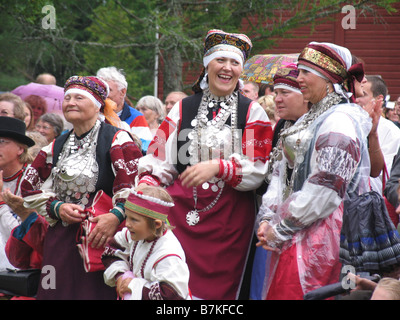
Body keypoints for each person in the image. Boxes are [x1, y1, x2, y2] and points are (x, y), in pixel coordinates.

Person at [137, 29, 273, 300]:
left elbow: (258, 169)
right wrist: (146, 186)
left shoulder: (252, 111)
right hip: (181, 216)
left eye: (234, 63)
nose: (227, 68)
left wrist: (219, 167)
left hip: (230, 221)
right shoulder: (183, 108)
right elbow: (159, 157)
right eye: (220, 60)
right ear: (207, 64)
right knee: (176, 285)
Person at [256, 42, 371, 300]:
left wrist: (282, 228)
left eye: (305, 73)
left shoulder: (338, 121)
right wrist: (268, 218)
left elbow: (325, 191)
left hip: (326, 238)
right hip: (305, 232)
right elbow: (282, 174)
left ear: (328, 79)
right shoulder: (316, 118)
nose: (299, 80)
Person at [18, 75, 143, 300]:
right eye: (67, 98)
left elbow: (136, 187)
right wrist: (57, 207)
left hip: (101, 240)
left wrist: (115, 216)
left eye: (79, 98)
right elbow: (28, 188)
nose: (71, 102)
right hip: (61, 240)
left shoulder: (116, 139)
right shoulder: (58, 144)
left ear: (97, 106)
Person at [250, 64, 309, 300]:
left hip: (303, 228)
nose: (277, 99)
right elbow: (276, 177)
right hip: (274, 225)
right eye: (275, 92)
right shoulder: (283, 126)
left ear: (305, 96)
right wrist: (266, 219)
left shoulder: (318, 128)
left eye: (285, 93)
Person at [102, 185, 191, 300]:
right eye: (127, 217)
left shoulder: (169, 256)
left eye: (134, 219)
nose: (127, 224)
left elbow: (171, 295)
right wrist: (121, 276)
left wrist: (133, 285)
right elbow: (112, 251)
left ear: (156, 224)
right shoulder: (134, 234)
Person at [0, 117, 35, 269]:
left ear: (20, 149)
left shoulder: (33, 180)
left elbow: (21, 237)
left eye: (2, 142)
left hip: (19, 269)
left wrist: (1, 202)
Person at [356, 75, 400, 196]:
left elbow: (384, 175)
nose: (356, 100)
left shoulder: (391, 132)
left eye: (363, 95)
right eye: (356, 94)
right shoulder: (350, 123)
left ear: (379, 99)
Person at [96, 66, 153, 153]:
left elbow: (146, 149)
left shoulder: (136, 117)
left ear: (122, 92)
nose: (102, 95)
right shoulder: (92, 114)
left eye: (108, 90)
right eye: (99, 90)